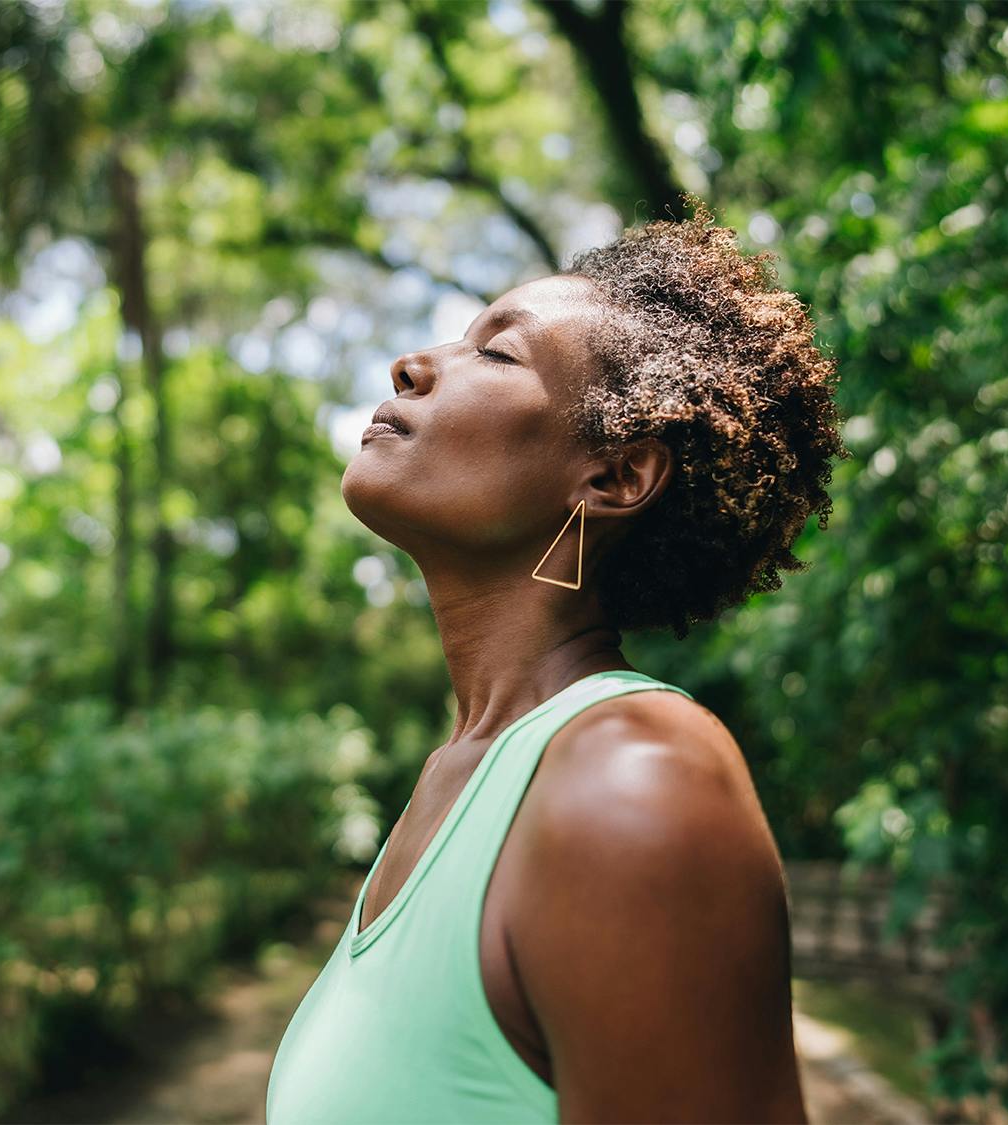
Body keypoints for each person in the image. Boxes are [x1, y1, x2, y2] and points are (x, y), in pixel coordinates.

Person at [265, 198, 848, 1124]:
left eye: (498, 353)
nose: (413, 364)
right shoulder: (456, 779)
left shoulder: (632, 778)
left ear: (614, 477)